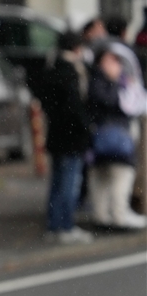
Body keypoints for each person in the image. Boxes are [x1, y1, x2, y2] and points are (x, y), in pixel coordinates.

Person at [40, 31, 94, 244]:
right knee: (69, 182)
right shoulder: (72, 72)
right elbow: (75, 106)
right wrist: (87, 126)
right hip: (72, 136)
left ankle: (54, 225)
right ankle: (66, 225)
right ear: (76, 48)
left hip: (56, 134)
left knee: (57, 182)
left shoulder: (51, 68)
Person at [87, 44, 147, 230]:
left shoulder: (116, 80)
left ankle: (105, 216)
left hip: (105, 137)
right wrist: (114, 82)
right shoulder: (100, 81)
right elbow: (110, 102)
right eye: (110, 60)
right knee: (118, 177)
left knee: (105, 178)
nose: (115, 65)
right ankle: (115, 216)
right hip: (111, 138)